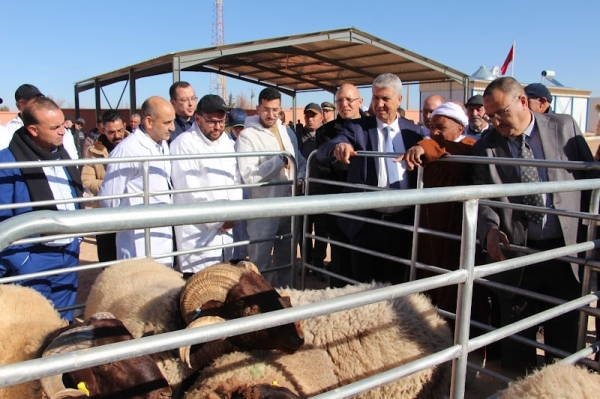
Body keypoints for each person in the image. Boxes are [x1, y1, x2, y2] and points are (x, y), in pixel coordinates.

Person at [471, 76, 597, 375]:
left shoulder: (564, 128)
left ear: (523, 102)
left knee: (565, 333)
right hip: (518, 253)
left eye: (501, 112)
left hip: (566, 250)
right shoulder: (486, 147)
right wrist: (489, 229)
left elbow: (592, 181)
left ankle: (561, 389)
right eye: (490, 116)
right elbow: (482, 197)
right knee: (517, 336)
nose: (496, 121)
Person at [317, 73, 422, 284]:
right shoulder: (358, 129)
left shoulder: (414, 132)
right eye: (375, 98)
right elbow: (323, 151)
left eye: (385, 99)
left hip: (403, 224)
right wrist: (340, 146)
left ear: (399, 100)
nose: (379, 104)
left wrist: (423, 147)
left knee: (398, 287)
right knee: (364, 288)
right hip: (367, 223)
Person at [0, 96, 83, 322]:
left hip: (67, 254)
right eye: (55, 127)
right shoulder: (8, 164)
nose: (63, 131)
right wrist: (24, 262)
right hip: (33, 259)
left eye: (63, 124)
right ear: (33, 130)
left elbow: (73, 197)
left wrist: (77, 240)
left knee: (63, 323)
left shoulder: (61, 156)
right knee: (33, 326)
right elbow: (3, 218)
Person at [235, 87, 306, 287]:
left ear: (280, 109)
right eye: (266, 109)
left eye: (275, 110)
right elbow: (248, 176)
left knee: (287, 258)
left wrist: (299, 178)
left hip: (289, 205)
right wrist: (277, 161)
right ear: (258, 108)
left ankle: (286, 298)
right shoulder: (247, 137)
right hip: (264, 208)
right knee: (261, 259)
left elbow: (299, 160)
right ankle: (262, 304)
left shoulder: (287, 132)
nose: (271, 114)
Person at [170, 95, 243, 277]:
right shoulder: (184, 144)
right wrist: (219, 220)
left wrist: (234, 214)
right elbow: (190, 191)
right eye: (211, 121)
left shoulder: (227, 143)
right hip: (198, 236)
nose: (218, 126)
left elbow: (235, 180)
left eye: (221, 121)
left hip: (226, 233)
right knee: (196, 290)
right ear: (198, 119)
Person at [99, 96, 175, 267]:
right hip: (137, 240)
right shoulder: (127, 150)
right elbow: (109, 199)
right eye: (167, 122)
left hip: (161, 233)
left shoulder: (162, 144)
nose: (173, 127)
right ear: (149, 121)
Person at [315, 83, 364, 286]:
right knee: (340, 259)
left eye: (349, 99)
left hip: (366, 205)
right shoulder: (326, 132)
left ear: (359, 102)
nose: (344, 104)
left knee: (363, 259)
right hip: (339, 204)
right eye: (340, 101)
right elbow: (326, 166)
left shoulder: (370, 127)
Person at [81, 110, 126, 262]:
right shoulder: (93, 151)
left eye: (120, 130)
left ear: (124, 126)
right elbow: (87, 179)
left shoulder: (134, 147)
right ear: (103, 130)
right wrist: (110, 186)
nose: (117, 135)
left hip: (129, 209)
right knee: (107, 257)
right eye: (112, 132)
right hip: (104, 211)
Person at [297, 103, 327, 270]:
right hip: (304, 192)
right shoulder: (297, 137)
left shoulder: (326, 136)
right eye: (307, 115)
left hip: (322, 192)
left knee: (322, 231)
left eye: (313, 115)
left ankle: (318, 264)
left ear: (321, 117)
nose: (310, 119)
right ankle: (307, 263)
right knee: (304, 230)